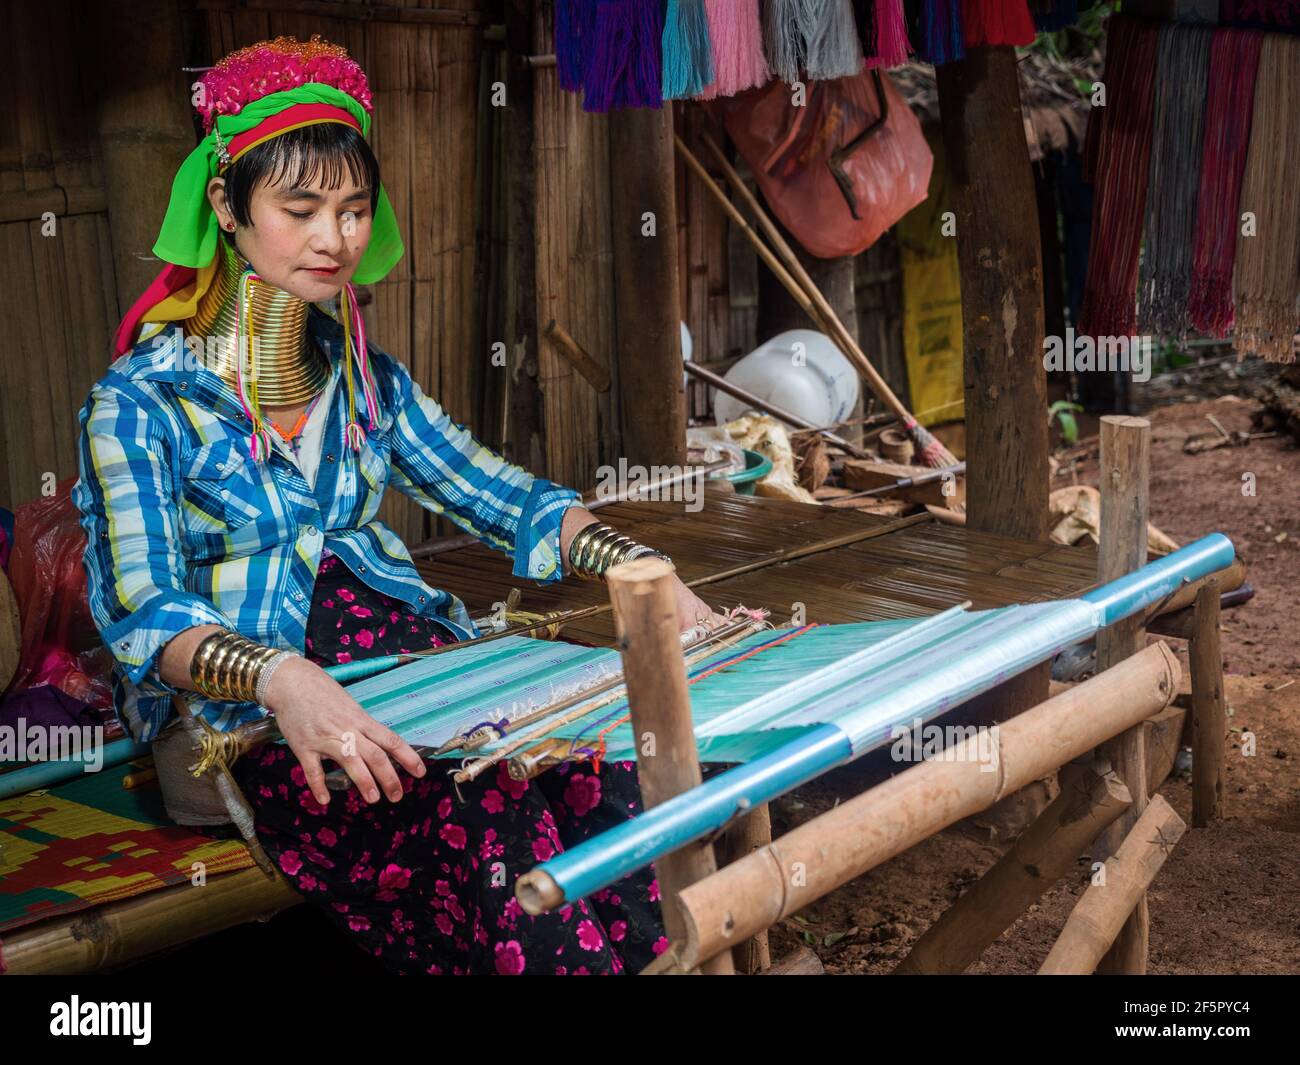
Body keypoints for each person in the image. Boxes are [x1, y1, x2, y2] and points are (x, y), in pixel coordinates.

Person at [73, 35, 722, 975]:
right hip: (246, 725)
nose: (335, 238)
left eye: (351, 208)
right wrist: (285, 679)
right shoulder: (137, 404)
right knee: (484, 807)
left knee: (604, 768)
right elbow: (144, 609)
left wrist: (634, 564)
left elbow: (501, 494)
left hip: (417, 675)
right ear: (225, 205)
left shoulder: (367, 384)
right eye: (300, 209)